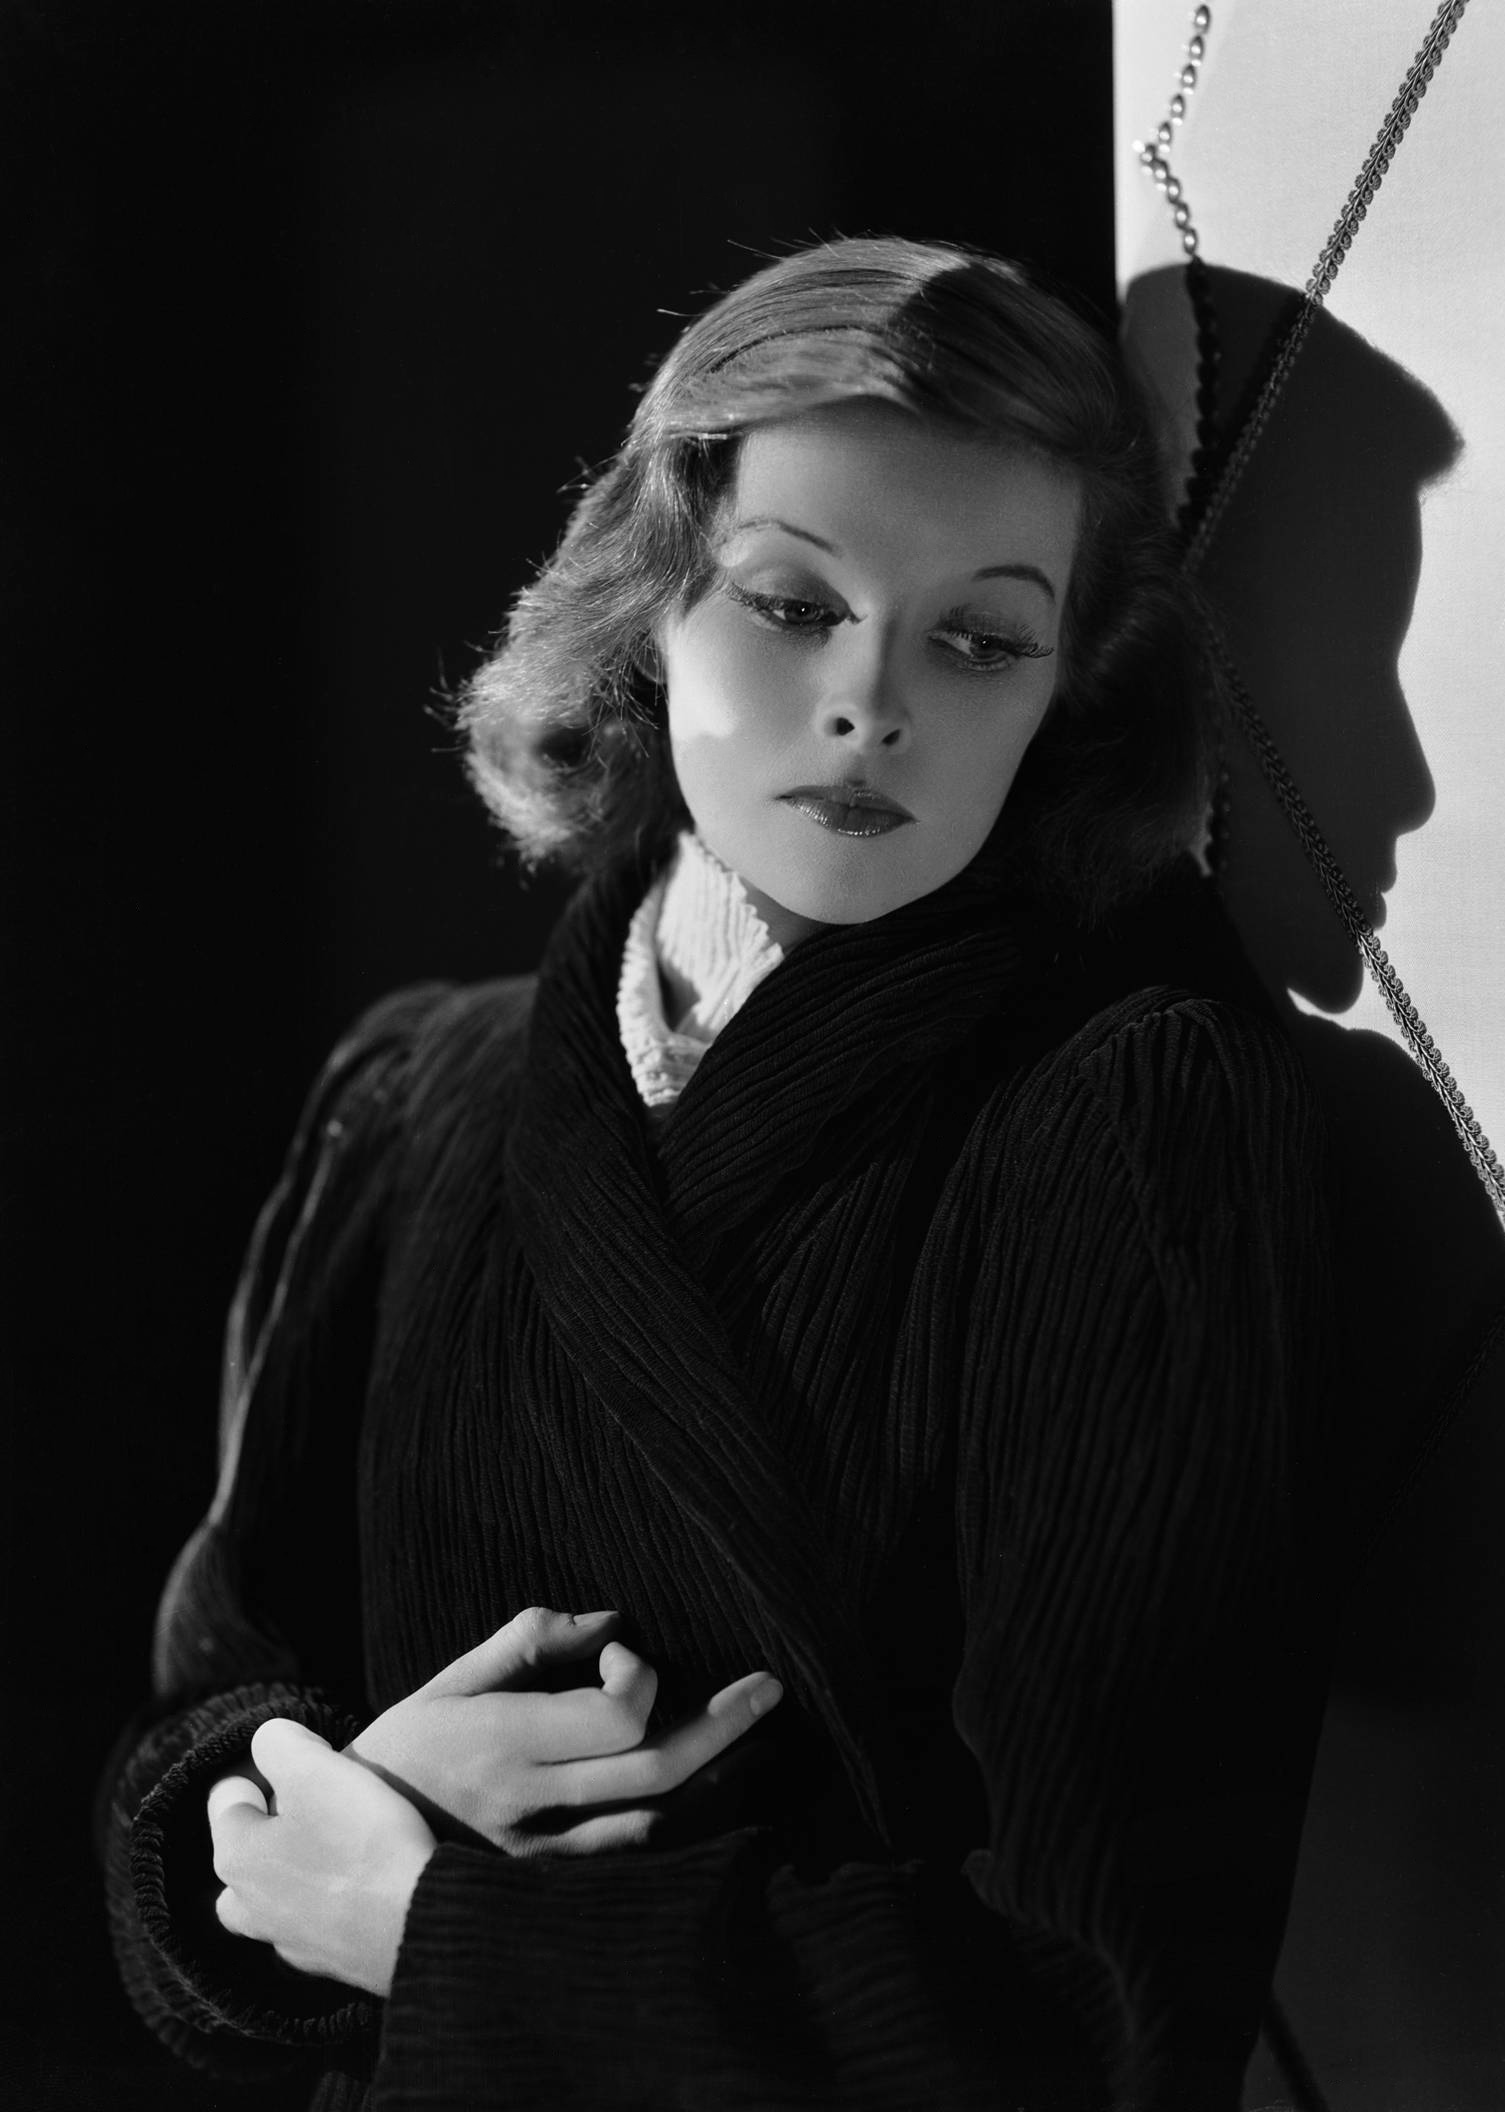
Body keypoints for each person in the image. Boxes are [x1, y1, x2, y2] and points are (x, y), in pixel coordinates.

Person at [101, 236, 1334, 2111]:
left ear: (1069, 690)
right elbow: (199, 1717)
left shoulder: (1134, 1115)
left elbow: (1102, 2008)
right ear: (651, 598)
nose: (869, 703)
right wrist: (313, 1811)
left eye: (979, 638)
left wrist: (429, 1925)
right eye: (789, 602)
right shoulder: (418, 1091)